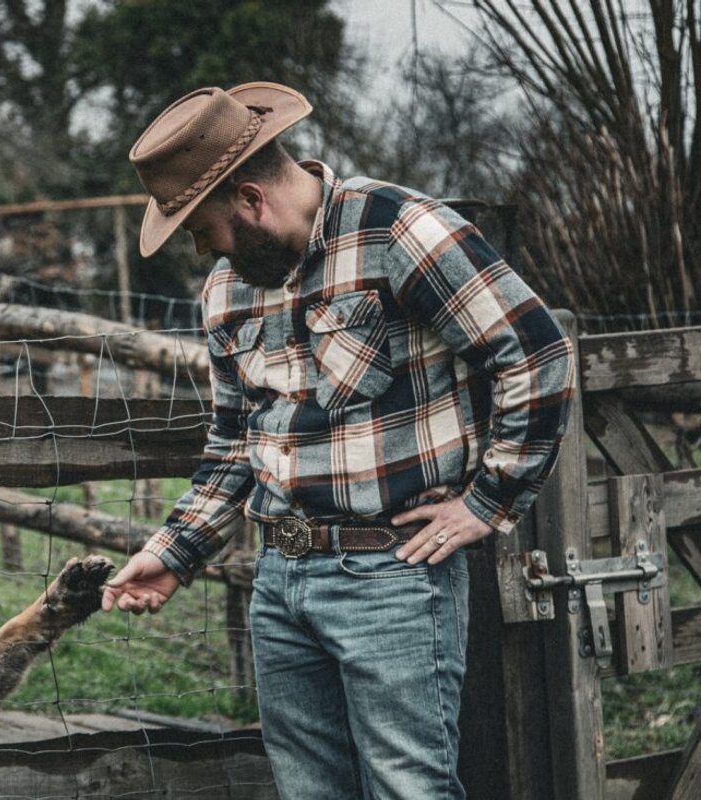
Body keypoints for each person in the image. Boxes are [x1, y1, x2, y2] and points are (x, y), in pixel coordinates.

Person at [101, 82, 576, 800]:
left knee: (409, 788)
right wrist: (173, 553)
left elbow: (536, 354)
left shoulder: (399, 231)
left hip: (391, 577)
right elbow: (235, 441)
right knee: (309, 791)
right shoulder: (227, 290)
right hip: (280, 580)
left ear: (251, 200)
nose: (202, 250)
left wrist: (487, 502)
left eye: (202, 229)